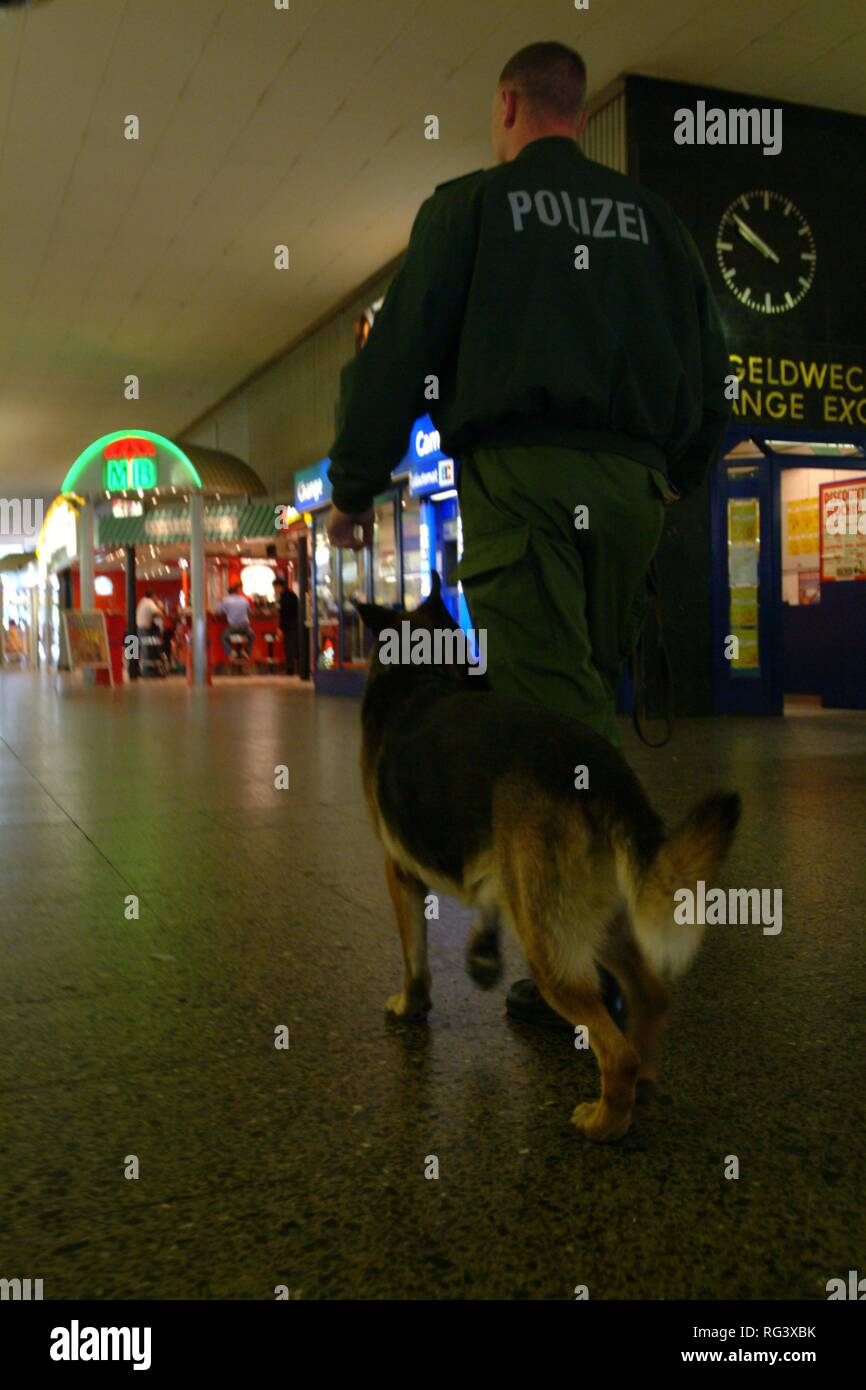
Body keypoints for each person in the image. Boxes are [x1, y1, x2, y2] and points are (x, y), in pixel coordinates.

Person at [325, 42, 731, 1027]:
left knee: (548, 716)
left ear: (508, 103)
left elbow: (402, 355)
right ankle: (616, 925)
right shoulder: (655, 223)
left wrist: (352, 480)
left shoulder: (468, 208)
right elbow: (711, 361)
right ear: (576, 111)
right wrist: (677, 470)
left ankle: (586, 970)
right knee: (583, 690)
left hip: (522, 483)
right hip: (630, 488)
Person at [217, 582, 255, 663]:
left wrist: (222, 605)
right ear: (237, 592)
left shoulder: (226, 600)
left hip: (233, 627)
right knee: (252, 636)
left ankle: (231, 651)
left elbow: (218, 611)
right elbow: (250, 612)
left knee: (223, 636)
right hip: (245, 627)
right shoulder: (244, 600)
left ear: (229, 593)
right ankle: (245, 651)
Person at [274, 576, 299, 675]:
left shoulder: (284, 597)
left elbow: (284, 613)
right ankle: (296, 668)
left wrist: (280, 627)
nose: (275, 590)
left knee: (289, 647)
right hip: (295, 623)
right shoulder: (291, 595)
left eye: (275, 587)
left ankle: (290, 669)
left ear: (279, 586)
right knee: (294, 647)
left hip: (289, 625)